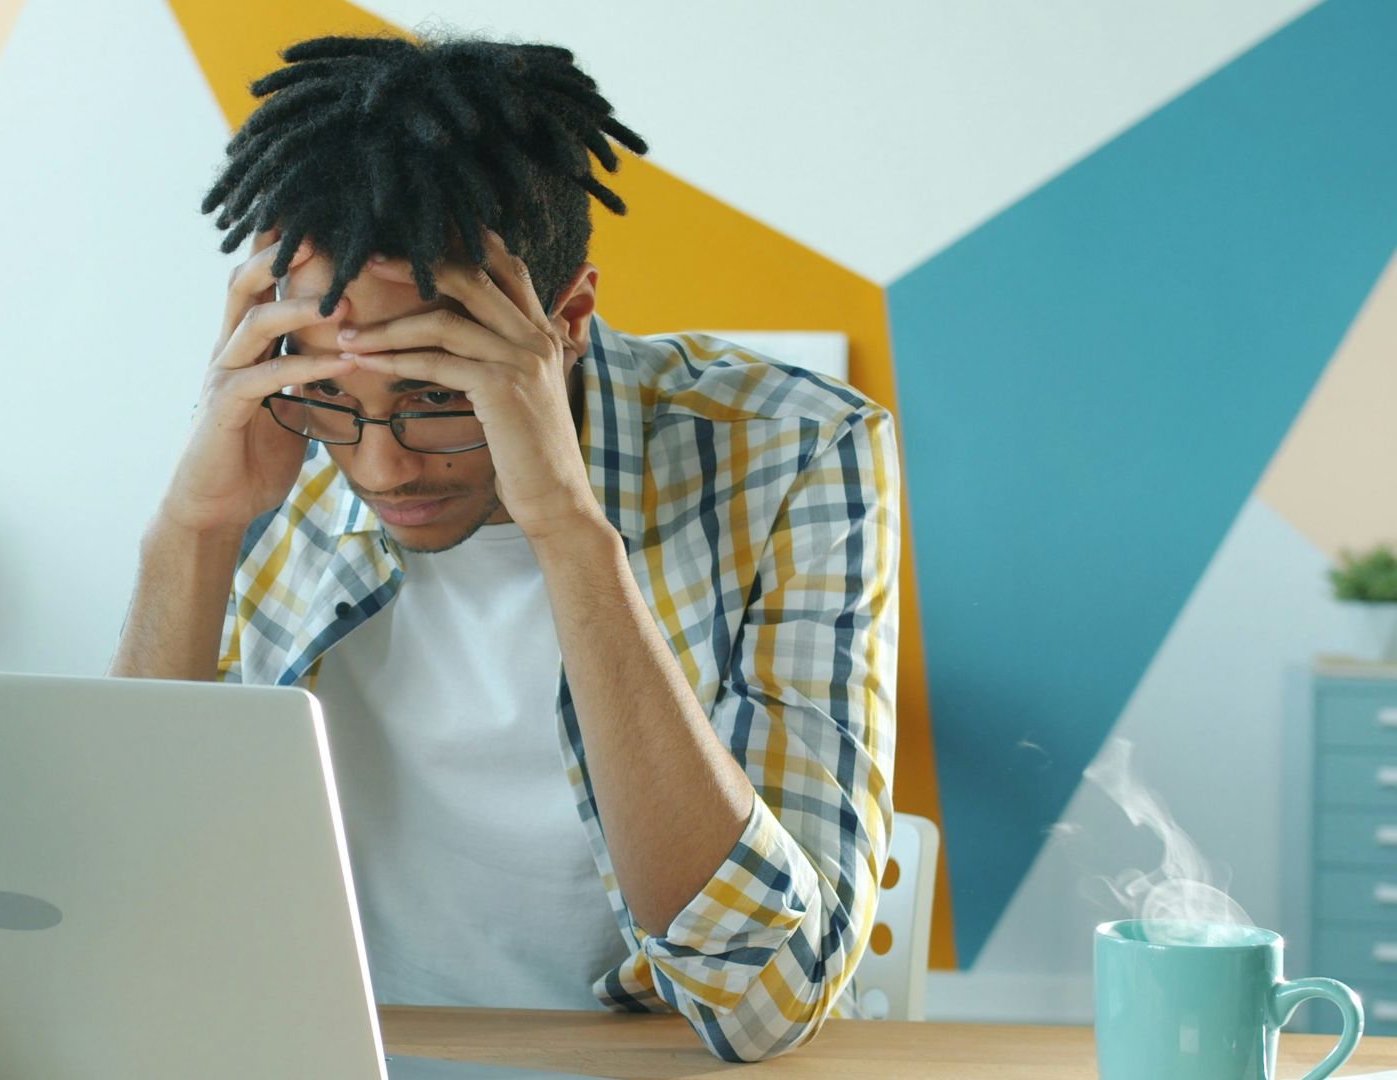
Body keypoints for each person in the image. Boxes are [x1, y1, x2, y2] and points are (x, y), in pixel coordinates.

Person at [111, 32, 899, 1064]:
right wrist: (195, 529)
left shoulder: (794, 451)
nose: (383, 468)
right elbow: (115, 914)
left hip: (643, 1061)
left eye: (437, 396)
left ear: (567, 320)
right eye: (332, 395)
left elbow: (766, 1002)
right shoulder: (270, 438)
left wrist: (567, 527)